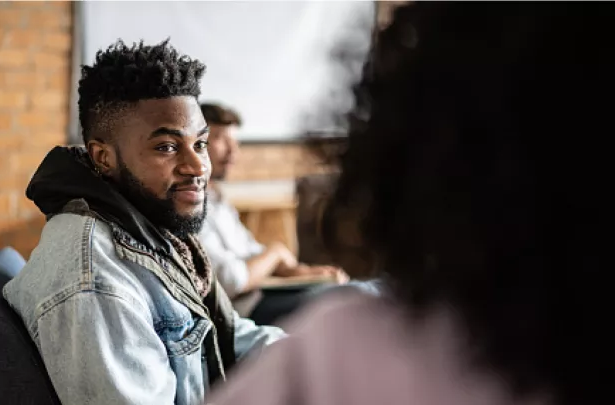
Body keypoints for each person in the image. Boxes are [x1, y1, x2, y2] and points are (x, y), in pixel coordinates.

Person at [208, 2, 611, 405]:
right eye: (220, 142)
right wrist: (280, 255)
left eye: (234, 144)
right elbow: (237, 277)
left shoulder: (340, 354)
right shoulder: (336, 351)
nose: (228, 154)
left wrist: (295, 266)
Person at [2, 40, 285, 405]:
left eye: (200, 144)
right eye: (167, 147)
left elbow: (221, 334)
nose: (198, 167)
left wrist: (313, 359)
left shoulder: (149, 229)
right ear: (103, 158)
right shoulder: (96, 281)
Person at [197, 103, 345, 324]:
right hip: (245, 308)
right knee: (340, 302)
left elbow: (252, 253)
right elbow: (232, 281)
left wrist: (303, 272)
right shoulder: (191, 209)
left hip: (264, 293)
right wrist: (275, 253)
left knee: (352, 289)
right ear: (197, 142)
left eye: (235, 142)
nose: (233, 151)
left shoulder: (219, 201)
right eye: (221, 139)